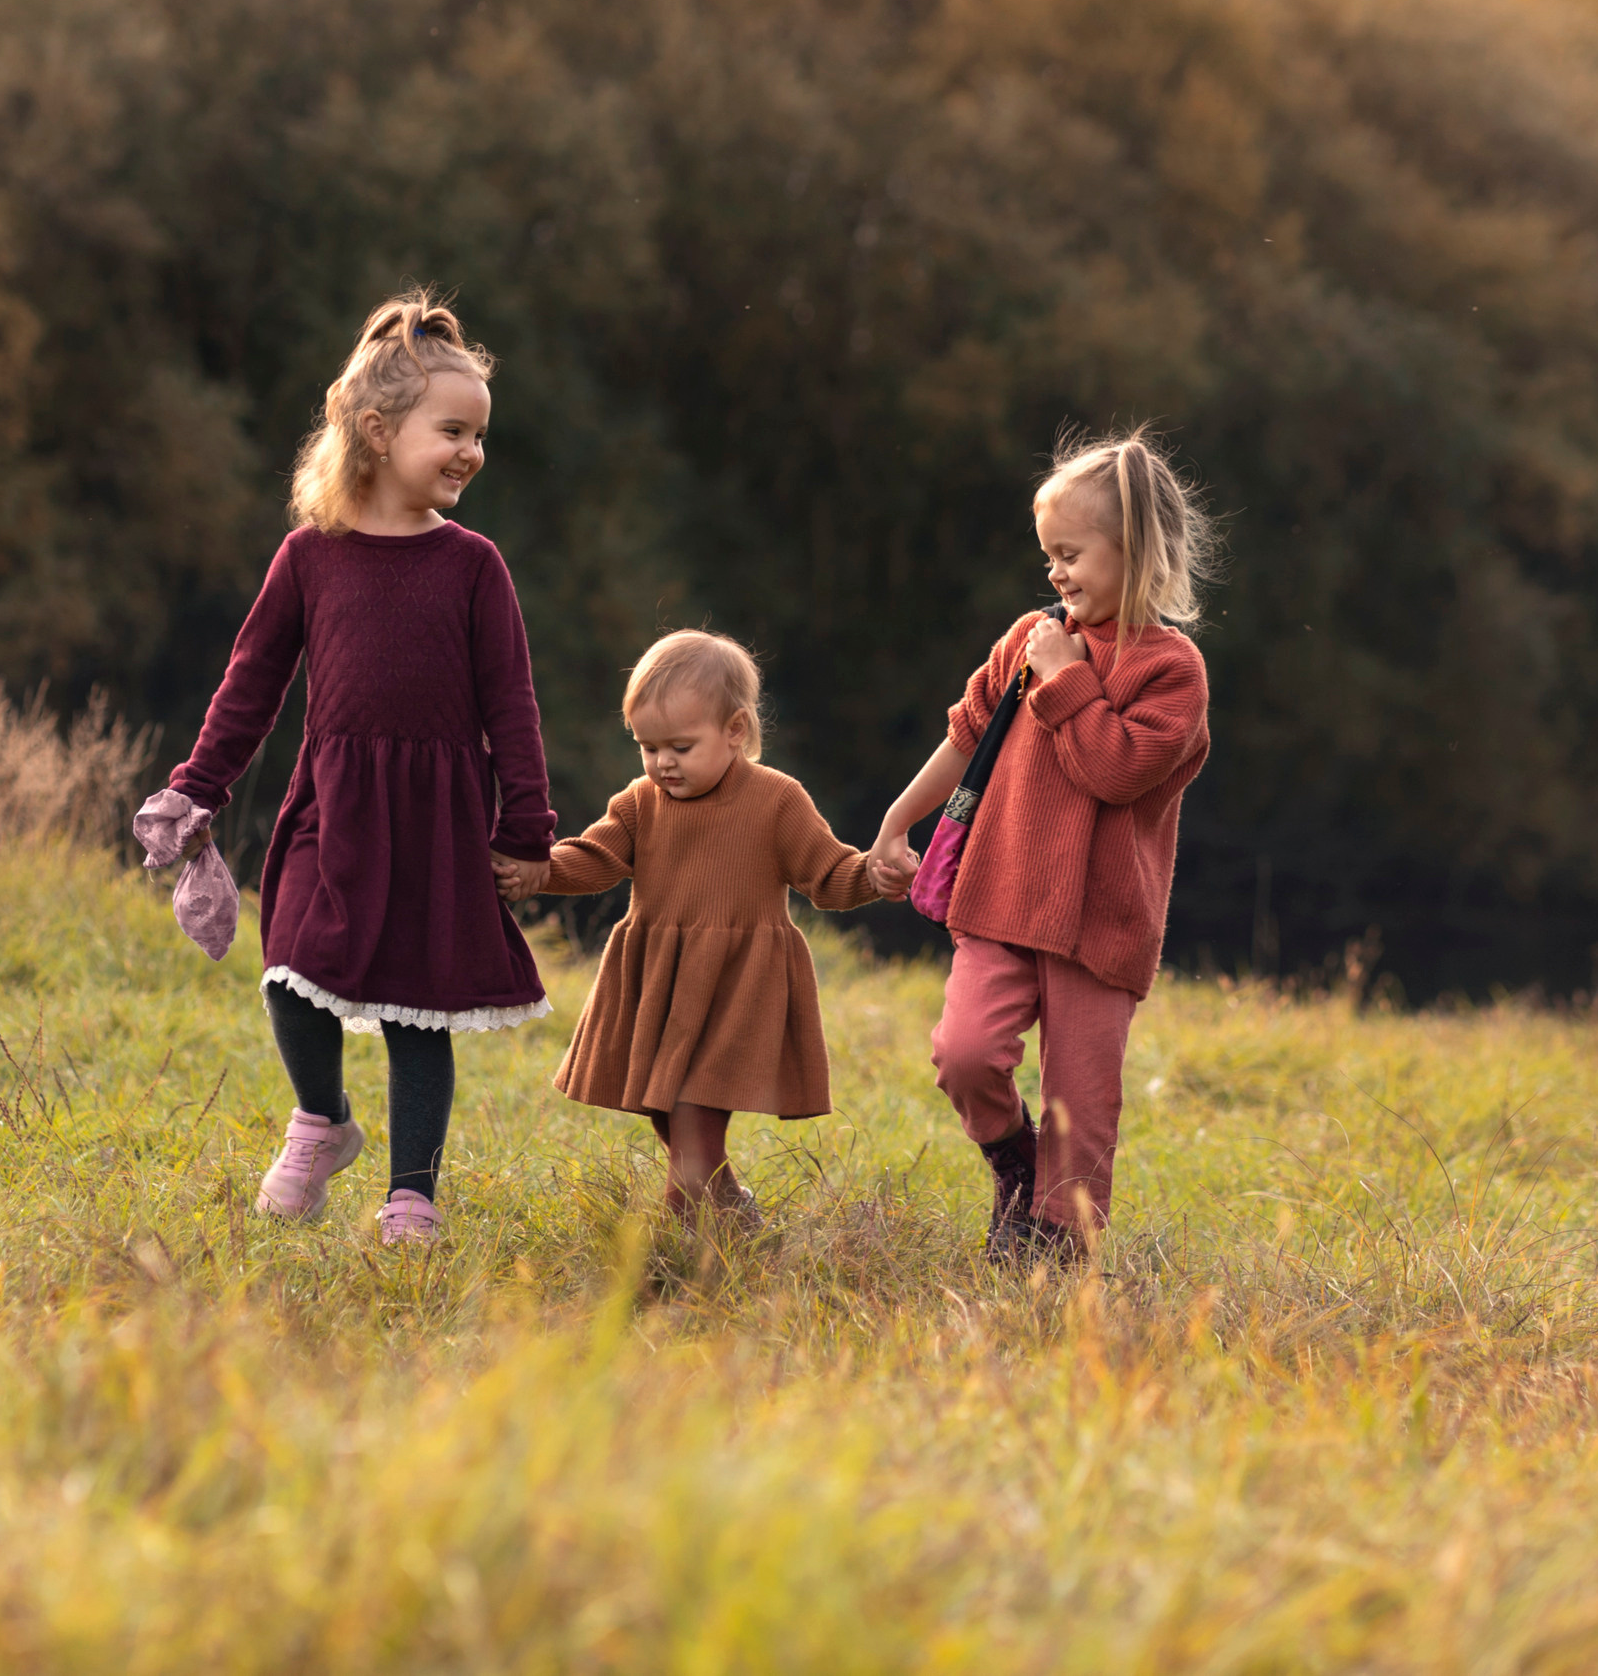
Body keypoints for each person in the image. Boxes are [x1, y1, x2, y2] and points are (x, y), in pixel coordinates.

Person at [147, 291, 555, 1246]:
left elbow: (512, 707)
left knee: (420, 1013)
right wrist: (197, 785)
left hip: (439, 823)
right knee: (292, 971)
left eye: (478, 434)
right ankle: (321, 1120)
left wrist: (526, 829)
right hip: (331, 805)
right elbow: (249, 687)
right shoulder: (310, 558)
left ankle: (412, 1194)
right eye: (451, 430)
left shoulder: (475, 568)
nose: (470, 451)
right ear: (378, 431)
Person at [866, 426, 1215, 1263]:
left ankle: (1057, 1251)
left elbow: (1117, 770)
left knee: (1083, 1107)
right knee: (965, 1053)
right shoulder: (1030, 638)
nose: (1056, 573)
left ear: (1136, 552)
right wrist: (894, 820)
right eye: (1048, 556)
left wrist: (1065, 677)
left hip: (1102, 925)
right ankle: (1014, 1164)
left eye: (1072, 553)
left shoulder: (1174, 671)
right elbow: (962, 738)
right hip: (1002, 896)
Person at [495, 631, 883, 1217]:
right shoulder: (639, 802)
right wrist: (537, 871)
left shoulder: (777, 799)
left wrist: (875, 874)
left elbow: (828, 875)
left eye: (679, 746)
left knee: (693, 1119)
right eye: (647, 748)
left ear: (735, 730)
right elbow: (594, 859)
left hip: (736, 987)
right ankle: (729, 1205)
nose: (661, 764)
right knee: (664, 1108)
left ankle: (685, 1255)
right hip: (658, 981)